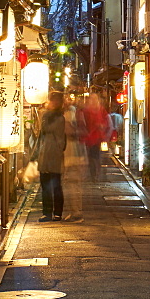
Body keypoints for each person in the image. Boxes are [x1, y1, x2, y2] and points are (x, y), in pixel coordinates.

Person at [38, 90, 66, 222]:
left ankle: (57, 213)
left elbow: (48, 129)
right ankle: (47, 212)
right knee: (45, 186)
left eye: (53, 100)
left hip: (54, 154)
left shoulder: (59, 118)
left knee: (55, 185)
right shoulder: (47, 115)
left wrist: (43, 115)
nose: (50, 103)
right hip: (45, 154)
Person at [62, 93, 87, 222]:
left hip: (71, 153)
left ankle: (76, 212)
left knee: (72, 183)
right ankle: (75, 211)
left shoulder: (70, 114)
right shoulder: (77, 113)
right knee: (73, 183)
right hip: (75, 152)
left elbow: (69, 131)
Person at [82, 91, 111, 181]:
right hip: (89, 137)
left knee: (96, 156)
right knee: (92, 156)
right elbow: (83, 122)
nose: (93, 100)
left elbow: (107, 121)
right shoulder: (86, 110)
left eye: (95, 98)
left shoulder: (101, 109)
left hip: (99, 137)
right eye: (92, 98)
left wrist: (102, 125)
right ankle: (93, 174)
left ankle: (96, 174)